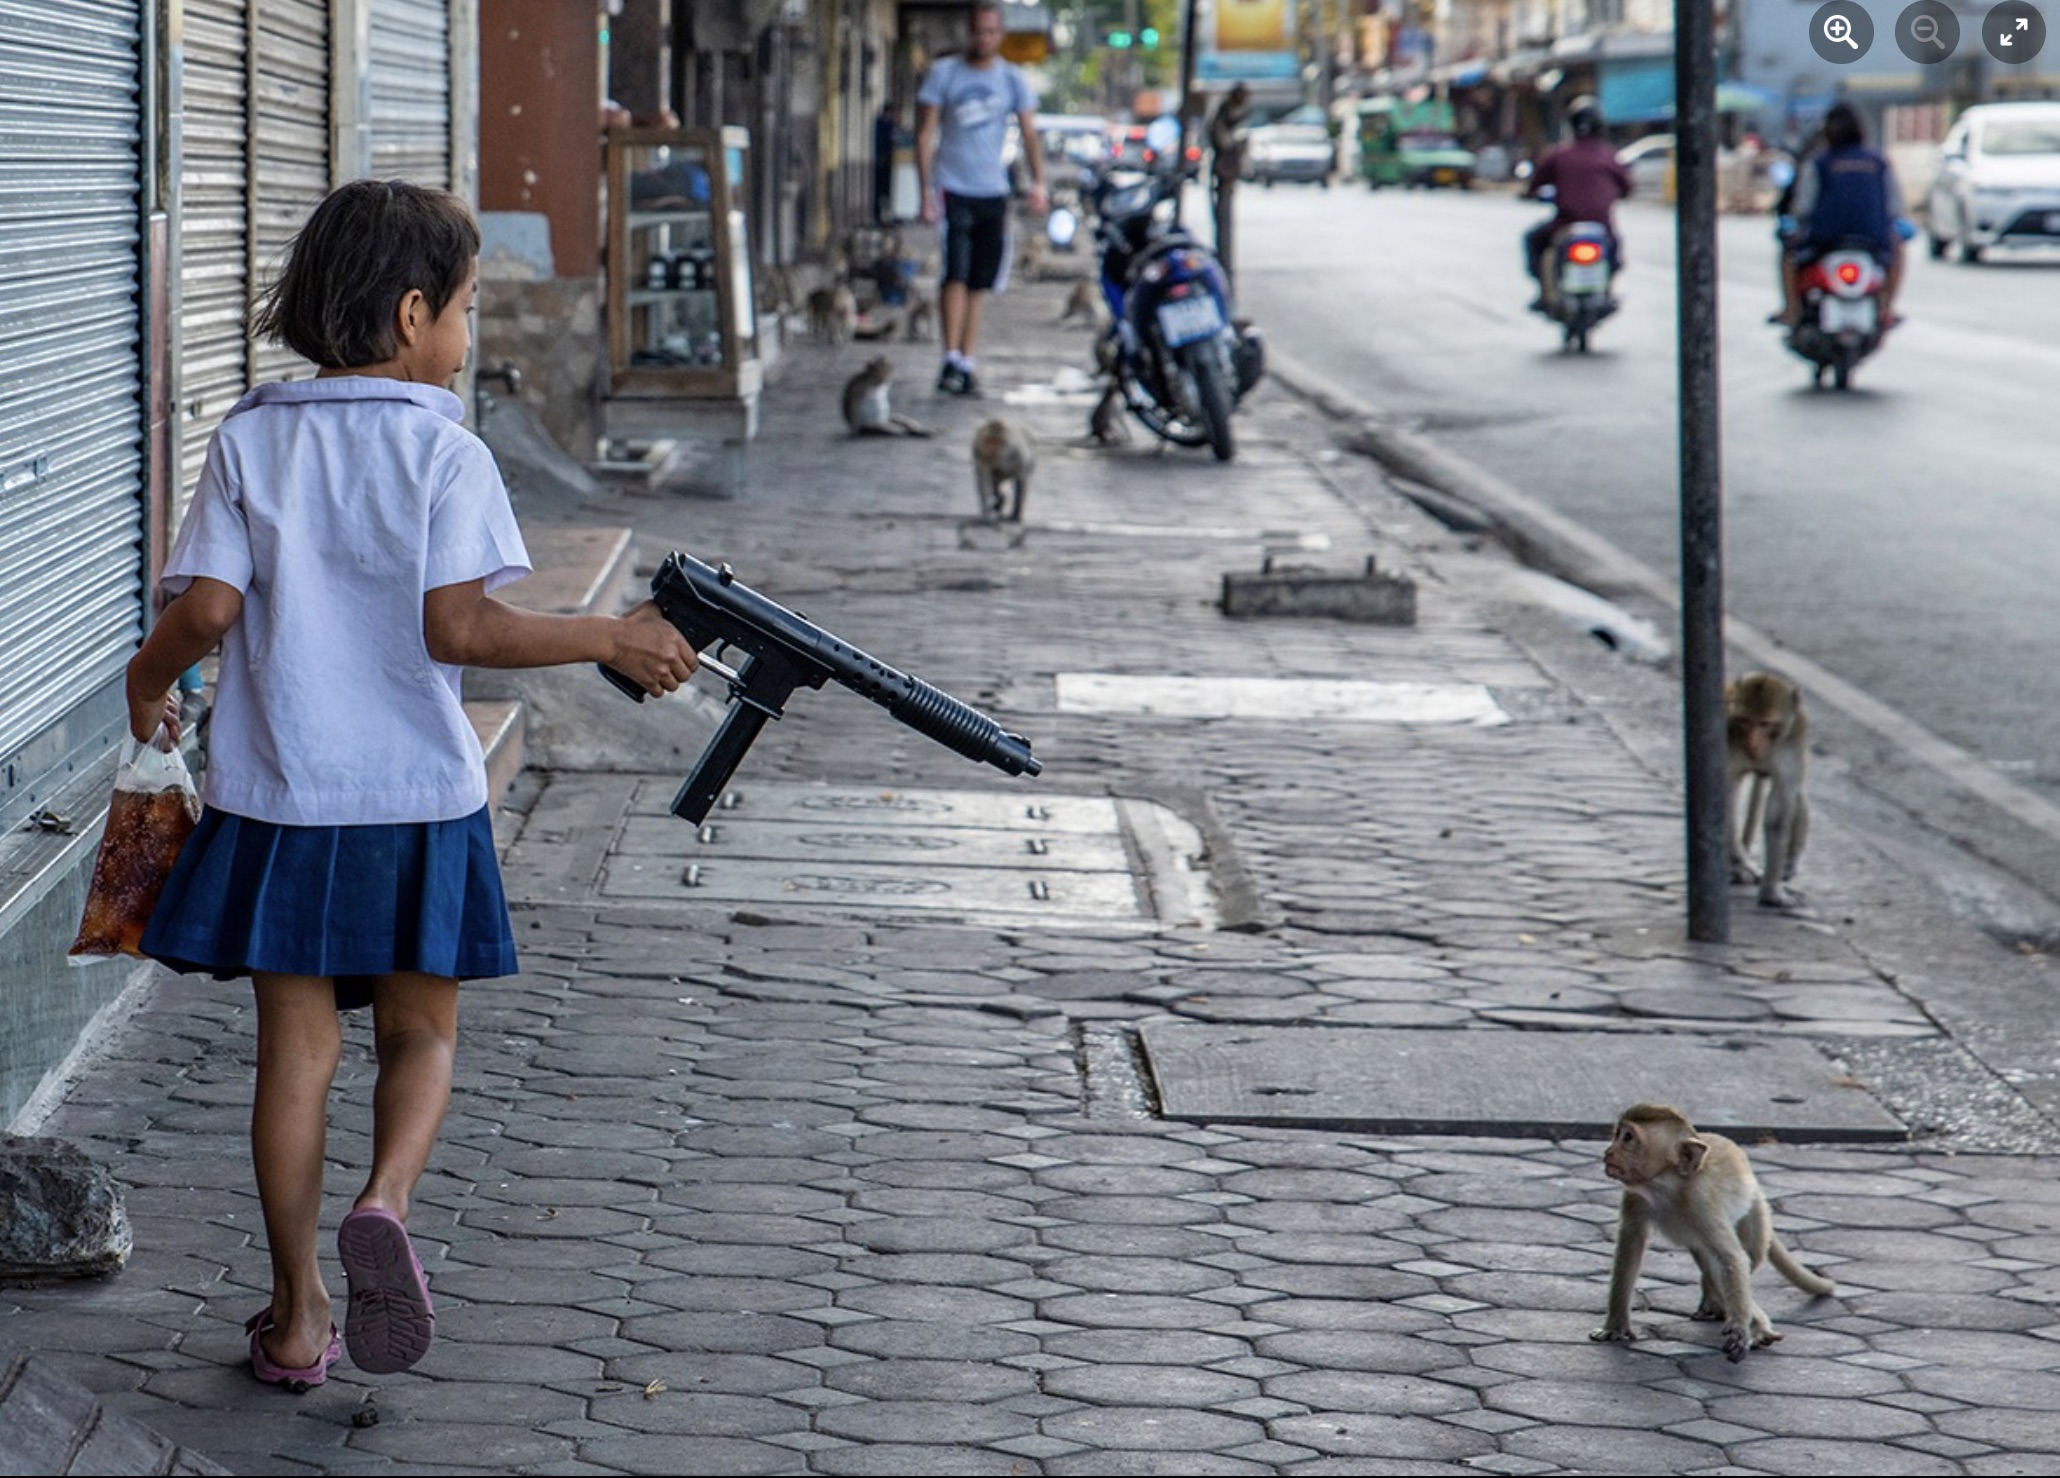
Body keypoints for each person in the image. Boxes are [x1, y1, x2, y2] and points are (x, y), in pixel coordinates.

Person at [123, 178, 699, 1392]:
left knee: (295, 1051)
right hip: (417, 801)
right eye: (470, 310)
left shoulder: (252, 433)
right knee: (420, 1028)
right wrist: (604, 636)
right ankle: (384, 1198)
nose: (470, 334)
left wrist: (145, 678)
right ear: (410, 313)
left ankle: (293, 1316)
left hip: (280, 801)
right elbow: (465, 631)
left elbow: (211, 608)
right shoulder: (446, 447)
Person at [916, 0, 1046, 396]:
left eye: (991, 32)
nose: (984, 38)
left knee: (979, 282)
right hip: (953, 187)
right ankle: (949, 356)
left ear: (1000, 35)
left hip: (994, 190)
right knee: (954, 273)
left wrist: (1039, 182)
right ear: (968, 33)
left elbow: (1028, 133)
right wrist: (924, 191)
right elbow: (925, 134)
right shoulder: (944, 73)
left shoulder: (1012, 79)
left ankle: (966, 359)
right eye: (978, 31)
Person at [1773, 101, 1905, 330]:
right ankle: (1887, 308)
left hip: (1824, 240)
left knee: (1788, 253)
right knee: (1898, 250)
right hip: (1873, 240)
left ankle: (1791, 310)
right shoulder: (1878, 162)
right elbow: (1895, 206)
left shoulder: (1819, 162)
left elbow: (1803, 207)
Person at [1522, 97, 1632, 312]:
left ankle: (1544, 292)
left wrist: (1531, 194)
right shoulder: (1609, 156)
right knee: (1615, 253)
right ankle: (1607, 292)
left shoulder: (1558, 154)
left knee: (1533, 239)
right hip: (1602, 226)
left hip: (1564, 225)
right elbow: (1627, 188)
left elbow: (1533, 186)